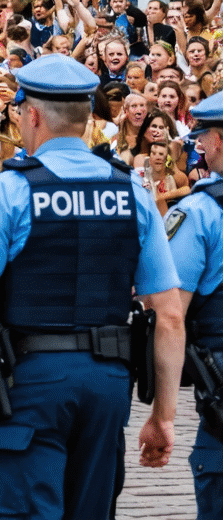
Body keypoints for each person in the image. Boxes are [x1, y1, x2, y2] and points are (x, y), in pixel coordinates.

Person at [0, 53, 186, 518]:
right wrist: (163, 416)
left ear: (32, 116)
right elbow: (168, 315)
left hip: (35, 377)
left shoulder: (12, 189)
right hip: (109, 381)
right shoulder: (131, 190)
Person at [165, 92, 223, 520]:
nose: (199, 143)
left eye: (203, 135)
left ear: (217, 140)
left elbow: (171, 312)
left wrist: (162, 411)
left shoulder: (202, 210)